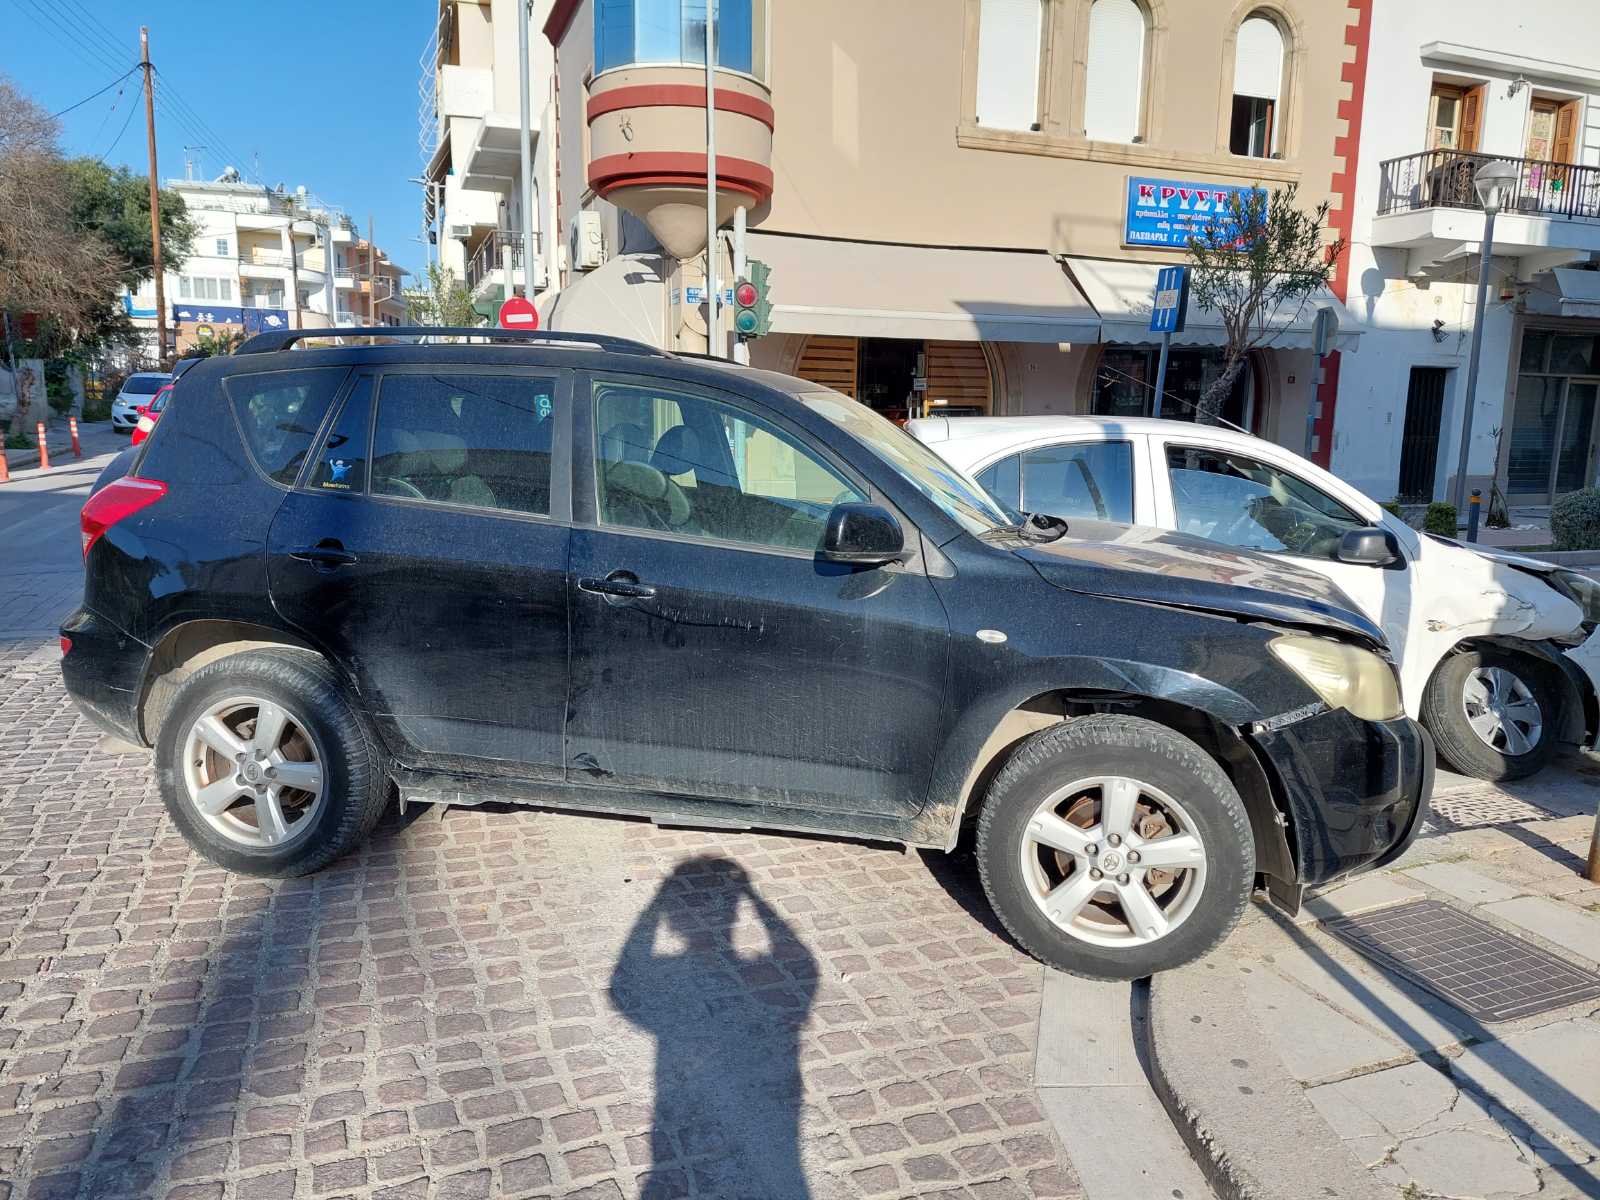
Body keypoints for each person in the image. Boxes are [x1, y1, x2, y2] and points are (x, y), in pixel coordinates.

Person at [609, 856, 819, 1199]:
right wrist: (751, 895)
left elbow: (623, 981)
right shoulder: (767, 979)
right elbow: (799, 958)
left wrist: (657, 902)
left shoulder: (669, 976)